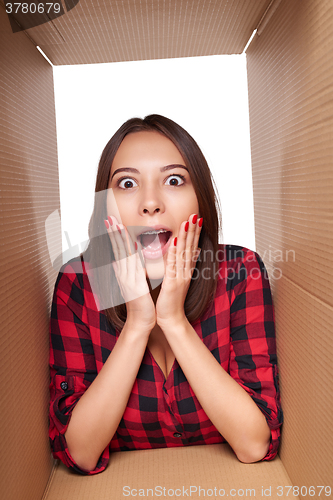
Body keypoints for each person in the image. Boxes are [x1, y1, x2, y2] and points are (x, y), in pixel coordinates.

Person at [49, 114, 283, 475]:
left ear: (200, 199)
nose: (151, 203)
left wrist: (173, 320)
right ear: (103, 207)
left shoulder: (240, 271)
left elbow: (254, 443)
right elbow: (79, 452)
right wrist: (139, 322)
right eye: (127, 183)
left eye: (174, 180)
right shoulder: (77, 285)